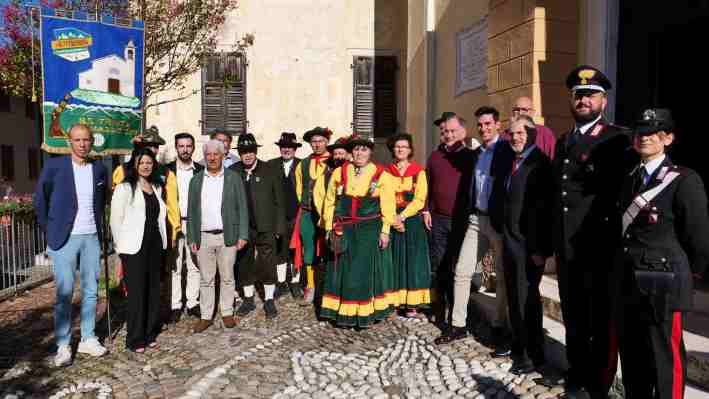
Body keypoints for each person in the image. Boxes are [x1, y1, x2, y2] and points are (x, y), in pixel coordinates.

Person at [615, 109, 709, 399]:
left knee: (665, 359)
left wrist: (686, 275)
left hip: (664, 285)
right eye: (640, 132)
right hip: (630, 283)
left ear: (668, 138)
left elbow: (698, 238)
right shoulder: (630, 177)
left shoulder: (684, 179)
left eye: (653, 132)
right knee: (633, 357)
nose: (644, 138)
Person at [551, 65, 631, 398]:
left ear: (603, 101)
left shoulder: (618, 138)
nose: (583, 100)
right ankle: (577, 370)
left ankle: (599, 381)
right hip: (568, 247)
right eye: (578, 95)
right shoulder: (563, 140)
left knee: (600, 316)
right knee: (573, 313)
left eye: (590, 95)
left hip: (599, 247)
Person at [436, 106, 513, 352]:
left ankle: (500, 327)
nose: (484, 128)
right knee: (462, 270)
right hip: (476, 219)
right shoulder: (477, 152)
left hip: (498, 221)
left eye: (488, 124)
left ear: (498, 125)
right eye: (480, 125)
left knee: (501, 276)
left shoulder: (508, 149)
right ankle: (458, 325)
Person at [34, 123, 108, 366]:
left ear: (91, 141)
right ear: (70, 142)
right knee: (64, 293)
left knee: (90, 290)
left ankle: (88, 337)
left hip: (91, 237)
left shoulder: (98, 169)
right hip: (63, 238)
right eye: (77, 140)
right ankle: (63, 344)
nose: (82, 144)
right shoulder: (55, 166)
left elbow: (101, 200)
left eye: (86, 140)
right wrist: (49, 229)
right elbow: (40, 199)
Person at [320, 137, 397, 326]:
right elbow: (329, 202)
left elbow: (388, 206)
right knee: (341, 269)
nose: (360, 154)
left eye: (364, 150)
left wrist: (385, 231)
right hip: (343, 228)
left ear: (370, 152)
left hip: (368, 230)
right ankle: (340, 312)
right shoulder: (339, 172)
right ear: (350, 153)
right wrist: (329, 228)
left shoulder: (382, 174)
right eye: (356, 150)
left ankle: (362, 313)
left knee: (362, 271)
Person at [500, 116, 553, 375]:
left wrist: (541, 249)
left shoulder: (540, 164)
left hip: (529, 248)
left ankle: (534, 356)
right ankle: (519, 347)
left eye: (521, 133)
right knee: (515, 298)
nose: (516, 138)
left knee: (527, 302)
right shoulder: (515, 161)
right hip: (511, 243)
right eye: (512, 134)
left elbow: (545, 211)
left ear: (533, 133)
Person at [187, 139, 249, 333]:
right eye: (209, 155)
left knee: (228, 277)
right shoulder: (196, 180)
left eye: (216, 154)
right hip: (203, 236)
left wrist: (243, 235)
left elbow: (242, 208)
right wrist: (191, 238)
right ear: (205, 157)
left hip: (227, 236)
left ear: (223, 156)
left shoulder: (233, 178)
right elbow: (192, 211)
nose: (212, 158)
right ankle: (206, 316)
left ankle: (227, 312)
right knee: (206, 278)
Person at [110, 148, 168, 353]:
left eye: (149, 162)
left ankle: (150, 332)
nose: (145, 166)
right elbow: (115, 221)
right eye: (141, 162)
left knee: (153, 290)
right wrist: (120, 249)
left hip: (154, 245)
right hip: (133, 247)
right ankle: (135, 338)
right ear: (135, 164)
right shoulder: (125, 188)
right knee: (136, 293)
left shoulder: (157, 187)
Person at [423, 113, 477, 326]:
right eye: (445, 131)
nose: (448, 134)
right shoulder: (435, 156)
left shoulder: (470, 157)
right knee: (439, 266)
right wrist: (426, 210)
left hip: (461, 221)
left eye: (452, 131)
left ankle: (458, 312)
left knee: (459, 267)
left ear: (462, 132)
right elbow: (427, 183)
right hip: (438, 219)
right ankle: (440, 309)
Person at [230, 134, 286, 319]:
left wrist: (279, 227)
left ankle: (269, 300)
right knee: (244, 262)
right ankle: (248, 299)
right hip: (243, 228)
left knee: (267, 263)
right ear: (239, 153)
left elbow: (279, 201)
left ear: (256, 152)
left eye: (251, 151)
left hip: (266, 226)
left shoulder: (269, 170)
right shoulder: (233, 171)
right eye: (244, 152)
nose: (247, 155)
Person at [385, 133, 431, 317]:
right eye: (397, 146)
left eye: (404, 146)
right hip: (392, 219)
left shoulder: (419, 171)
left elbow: (420, 199)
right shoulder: (386, 172)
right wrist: (393, 218)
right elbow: (385, 196)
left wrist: (402, 216)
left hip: (411, 221)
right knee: (395, 259)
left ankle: (412, 303)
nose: (400, 149)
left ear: (410, 150)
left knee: (413, 260)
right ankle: (396, 300)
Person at [112, 126, 180, 248]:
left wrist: (174, 232)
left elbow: (172, 205)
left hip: (158, 233)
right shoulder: (122, 171)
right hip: (130, 236)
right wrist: (118, 240)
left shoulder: (166, 173)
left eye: (156, 146)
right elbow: (117, 211)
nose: (153, 150)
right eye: (149, 145)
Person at [166, 132, 204, 322]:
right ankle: (175, 304)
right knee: (175, 266)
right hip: (174, 222)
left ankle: (192, 302)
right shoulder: (166, 171)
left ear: (193, 147)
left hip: (194, 222)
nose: (185, 149)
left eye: (188, 146)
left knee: (194, 264)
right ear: (176, 148)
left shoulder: (200, 170)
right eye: (181, 146)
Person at [293, 126, 332, 304]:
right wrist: (306, 204)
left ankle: (329, 288)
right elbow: (299, 189)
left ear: (327, 142)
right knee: (308, 249)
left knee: (330, 248)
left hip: (329, 214)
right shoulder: (304, 164)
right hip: (308, 213)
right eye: (314, 141)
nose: (317, 144)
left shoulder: (334, 161)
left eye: (320, 141)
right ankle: (310, 286)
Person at [268, 132, 304, 299]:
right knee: (280, 250)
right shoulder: (271, 165)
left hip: (297, 216)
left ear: (295, 149)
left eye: (290, 147)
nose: (286, 149)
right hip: (277, 217)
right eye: (283, 147)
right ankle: (281, 283)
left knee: (296, 250)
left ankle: (295, 282)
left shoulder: (302, 165)